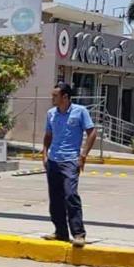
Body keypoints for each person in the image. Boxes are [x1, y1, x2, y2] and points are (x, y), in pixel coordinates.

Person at [42, 82, 97, 248]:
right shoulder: (51, 113)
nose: (52, 98)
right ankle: (60, 231)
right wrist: (44, 154)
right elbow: (48, 135)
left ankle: (79, 234)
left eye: (55, 96)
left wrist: (83, 155)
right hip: (53, 160)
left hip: (70, 160)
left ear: (65, 97)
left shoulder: (80, 112)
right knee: (55, 198)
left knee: (70, 195)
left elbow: (92, 132)